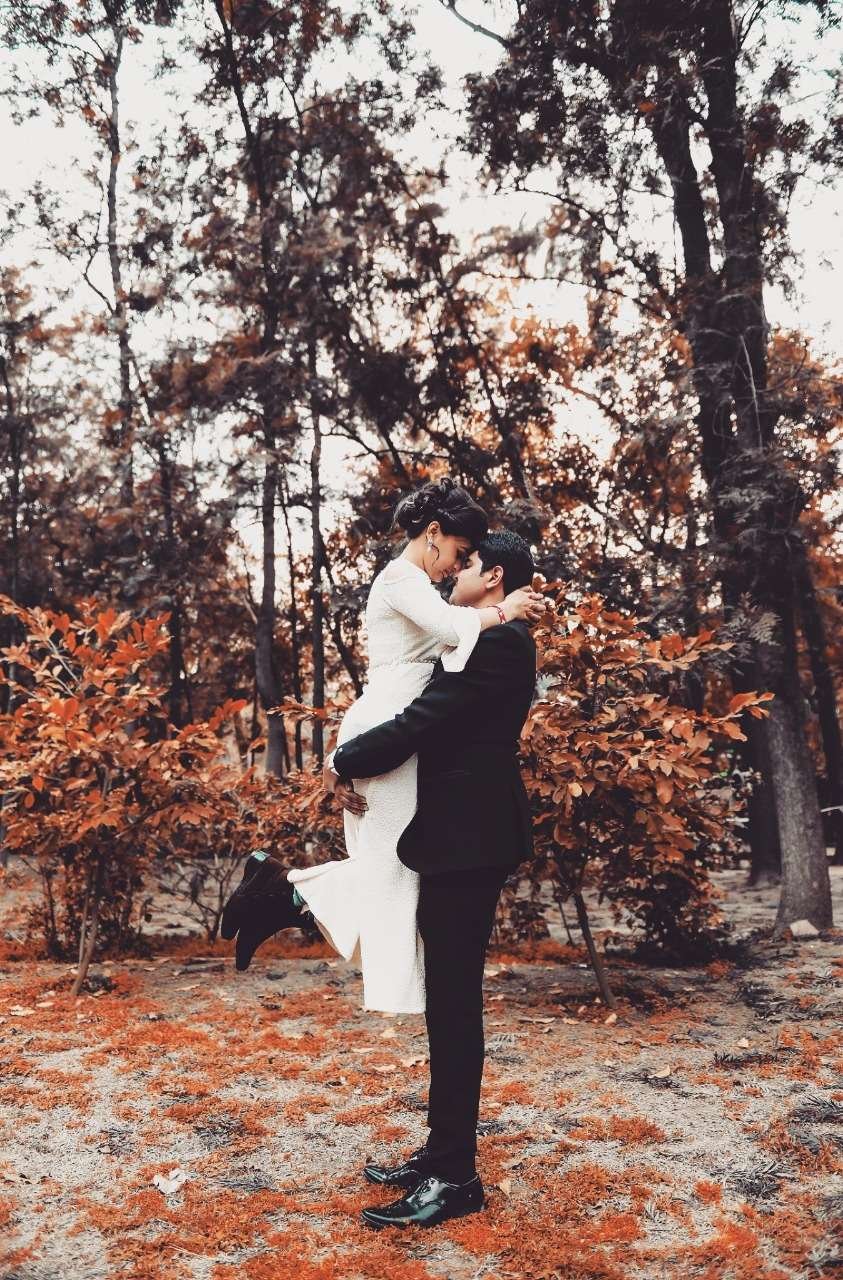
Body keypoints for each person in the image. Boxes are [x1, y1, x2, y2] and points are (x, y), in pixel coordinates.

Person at [219, 479, 544, 1017]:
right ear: (433, 533)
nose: (454, 568)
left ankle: (283, 891)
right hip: (387, 721)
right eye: (458, 552)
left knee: (396, 865)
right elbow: (452, 629)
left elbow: (455, 654)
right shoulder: (400, 578)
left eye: (466, 559)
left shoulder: (423, 589)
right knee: (391, 867)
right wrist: (507, 609)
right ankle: (281, 891)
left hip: (397, 724)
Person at [324, 530, 539, 1229]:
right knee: (447, 1004)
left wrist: (341, 760)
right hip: (452, 839)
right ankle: (441, 1153)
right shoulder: (479, 638)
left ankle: (455, 1178)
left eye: (465, 564)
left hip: (471, 842)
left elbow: (422, 721)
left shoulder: (502, 645)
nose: (452, 574)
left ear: (493, 575)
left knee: (453, 1005)